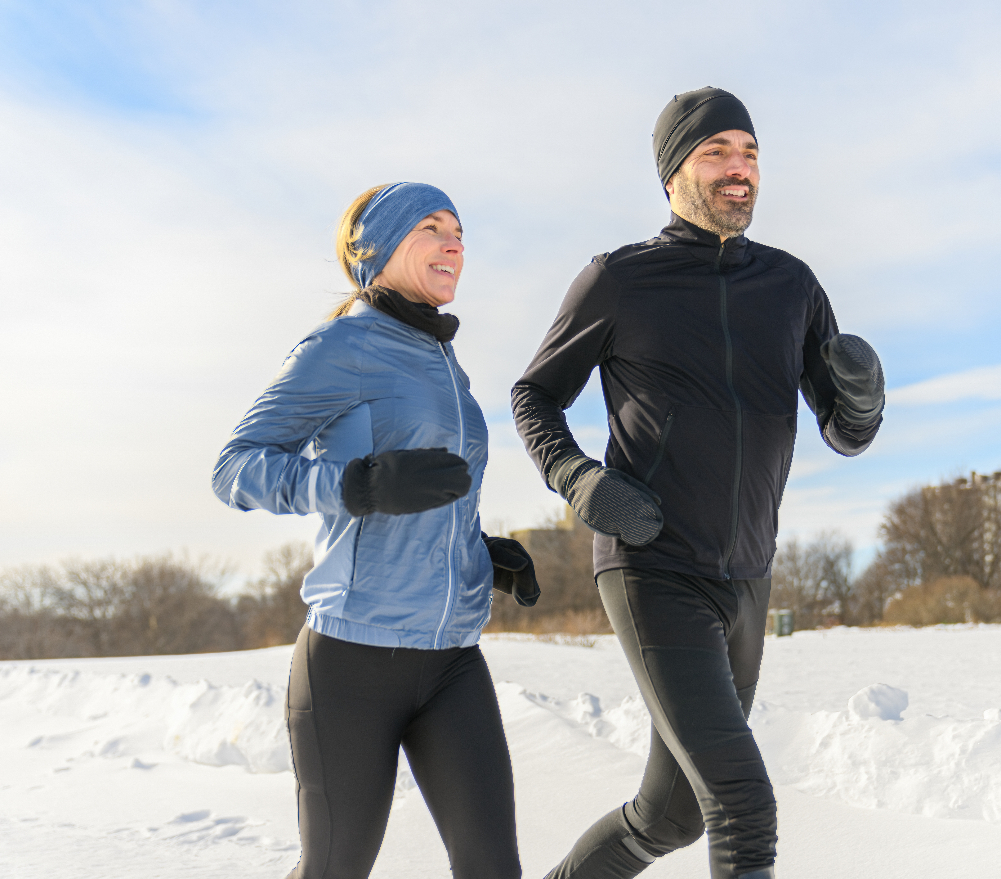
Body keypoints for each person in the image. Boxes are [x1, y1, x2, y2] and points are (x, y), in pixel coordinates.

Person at [511, 88, 885, 879]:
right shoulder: (621, 279)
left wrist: (864, 401)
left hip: (748, 574)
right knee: (744, 800)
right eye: (718, 151)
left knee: (671, 814)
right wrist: (579, 479)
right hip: (653, 565)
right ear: (674, 171)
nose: (739, 169)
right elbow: (533, 395)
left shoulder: (792, 287)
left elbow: (842, 431)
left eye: (749, 153)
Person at [212, 182, 538, 879]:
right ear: (378, 249)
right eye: (431, 226)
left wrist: (478, 553)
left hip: (451, 659)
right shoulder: (342, 344)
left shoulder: (444, 359)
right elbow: (235, 468)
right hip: (352, 659)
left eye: (458, 229)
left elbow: (430, 493)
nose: (454, 241)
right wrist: (354, 485)